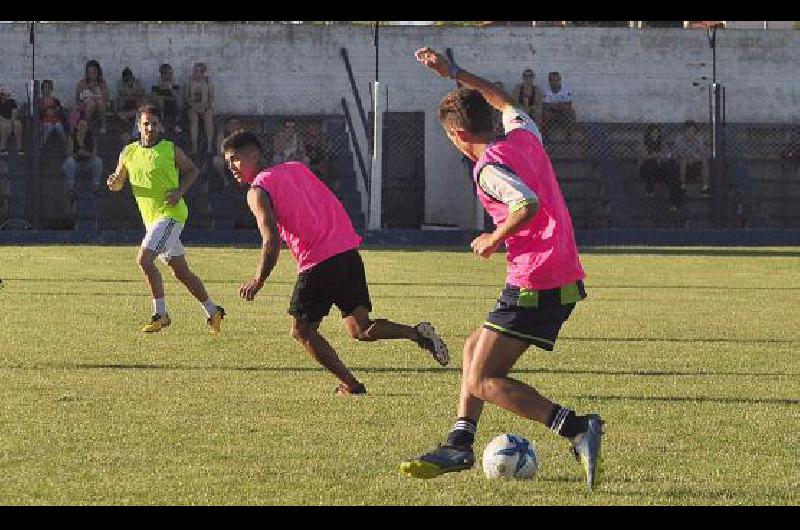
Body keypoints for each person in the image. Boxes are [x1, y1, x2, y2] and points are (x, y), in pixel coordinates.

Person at [400, 47, 603, 491]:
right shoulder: (524, 134)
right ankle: (460, 442)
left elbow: (525, 203)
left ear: (456, 135)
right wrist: (454, 72)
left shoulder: (489, 167)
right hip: (554, 271)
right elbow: (502, 97)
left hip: (538, 277)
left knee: (484, 378)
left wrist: (493, 239)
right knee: (474, 346)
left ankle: (575, 427)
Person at [221, 130, 450, 395]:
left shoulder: (258, 191)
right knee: (361, 328)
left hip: (318, 260)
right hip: (348, 253)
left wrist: (257, 280)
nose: (232, 167)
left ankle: (351, 385)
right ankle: (417, 334)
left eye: (236, 159)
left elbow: (271, 240)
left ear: (255, 154)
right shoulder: (296, 168)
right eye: (229, 162)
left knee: (302, 331)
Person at [106, 104, 225, 335]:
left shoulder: (170, 149)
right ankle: (213, 310)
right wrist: (113, 183)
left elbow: (192, 171)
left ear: (160, 126)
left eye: (154, 124)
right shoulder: (128, 152)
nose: (150, 128)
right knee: (181, 273)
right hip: (152, 221)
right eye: (145, 124)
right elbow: (118, 182)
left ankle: (161, 313)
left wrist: (179, 192)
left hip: (171, 215)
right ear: (138, 126)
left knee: (143, 260)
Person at [639, 124, 684, 211]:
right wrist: (657, 156)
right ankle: (650, 188)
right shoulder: (644, 143)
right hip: (647, 169)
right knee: (651, 163)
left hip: (661, 169)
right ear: (649, 134)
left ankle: (675, 203)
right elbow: (644, 156)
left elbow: (667, 155)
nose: (655, 135)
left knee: (672, 170)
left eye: (657, 133)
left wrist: (660, 156)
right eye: (653, 133)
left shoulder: (662, 143)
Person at [63, 116, 103, 193]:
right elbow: (68, 154)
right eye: (81, 125)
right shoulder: (72, 137)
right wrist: (77, 154)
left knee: (98, 162)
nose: (83, 128)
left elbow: (95, 154)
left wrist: (86, 154)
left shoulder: (91, 137)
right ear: (77, 127)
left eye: (85, 126)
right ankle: (70, 187)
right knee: (69, 162)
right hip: (75, 163)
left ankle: (96, 187)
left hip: (87, 163)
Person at [184, 62, 214, 154]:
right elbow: (186, 96)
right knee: (194, 120)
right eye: (195, 71)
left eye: (199, 71)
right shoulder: (189, 81)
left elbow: (211, 97)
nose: (197, 73)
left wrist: (205, 107)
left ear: (204, 72)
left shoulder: (208, 81)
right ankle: (194, 148)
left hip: (205, 107)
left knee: (208, 118)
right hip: (193, 107)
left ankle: (209, 146)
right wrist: (193, 106)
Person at [674, 120, 710, 197]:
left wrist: (694, 157)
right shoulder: (679, 138)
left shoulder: (698, 139)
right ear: (684, 131)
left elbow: (703, 152)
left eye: (693, 131)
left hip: (695, 160)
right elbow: (679, 152)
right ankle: (682, 186)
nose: (690, 133)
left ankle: (705, 187)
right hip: (682, 161)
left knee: (704, 160)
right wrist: (690, 156)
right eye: (688, 130)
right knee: (683, 159)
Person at [74, 59, 110, 134]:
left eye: (94, 72)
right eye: (89, 72)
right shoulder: (82, 83)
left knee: (100, 102)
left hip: (101, 106)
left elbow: (106, 97)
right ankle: (87, 126)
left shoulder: (101, 83)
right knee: (91, 104)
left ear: (98, 72)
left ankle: (103, 125)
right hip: (87, 106)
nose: (92, 74)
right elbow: (78, 98)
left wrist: (95, 91)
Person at [542, 71, 576, 139]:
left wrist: (555, 105)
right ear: (549, 81)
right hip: (551, 111)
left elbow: (569, 105)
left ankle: (570, 134)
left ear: (560, 80)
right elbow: (545, 105)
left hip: (563, 110)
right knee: (544, 113)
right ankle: (545, 134)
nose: (554, 82)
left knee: (571, 113)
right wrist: (559, 105)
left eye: (556, 80)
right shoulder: (545, 90)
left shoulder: (566, 90)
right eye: (552, 80)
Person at [116, 67, 146, 143]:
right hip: (126, 104)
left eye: (129, 79)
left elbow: (141, 93)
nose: (128, 81)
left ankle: (134, 115)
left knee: (141, 102)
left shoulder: (137, 83)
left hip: (136, 104)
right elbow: (122, 95)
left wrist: (131, 93)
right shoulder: (121, 83)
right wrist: (130, 93)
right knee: (120, 102)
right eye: (126, 79)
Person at [152, 63, 181, 135]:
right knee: (160, 101)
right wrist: (161, 88)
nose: (168, 76)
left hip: (172, 106)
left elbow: (177, 97)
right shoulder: (156, 86)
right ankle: (161, 123)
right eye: (166, 73)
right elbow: (154, 98)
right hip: (161, 106)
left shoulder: (174, 86)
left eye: (170, 73)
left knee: (176, 104)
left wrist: (170, 87)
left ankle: (176, 124)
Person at [40, 80, 68, 145]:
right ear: (42, 89)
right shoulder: (39, 101)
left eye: (49, 87)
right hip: (45, 122)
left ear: (51, 89)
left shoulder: (56, 100)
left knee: (59, 126)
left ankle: (67, 146)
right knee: (49, 127)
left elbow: (60, 111)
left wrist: (54, 111)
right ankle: (40, 146)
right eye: (45, 87)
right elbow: (40, 113)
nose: (47, 89)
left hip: (56, 121)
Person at [0, 85, 24, 155]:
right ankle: (2, 147)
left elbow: (14, 112)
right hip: (2, 121)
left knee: (17, 123)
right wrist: (5, 121)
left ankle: (19, 147)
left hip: (10, 120)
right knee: (4, 125)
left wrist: (12, 121)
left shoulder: (12, 101)